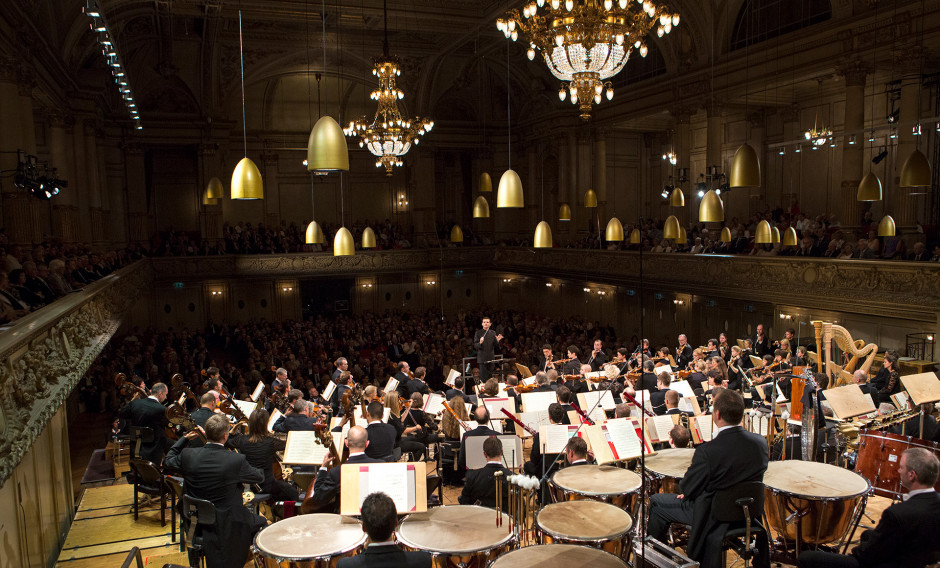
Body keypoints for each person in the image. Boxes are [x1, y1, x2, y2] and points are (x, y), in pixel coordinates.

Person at [647, 389, 769, 568]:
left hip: (714, 513)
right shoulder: (760, 443)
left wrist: (689, 493)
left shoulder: (708, 451)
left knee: (657, 502)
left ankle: (660, 560)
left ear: (717, 414)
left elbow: (687, 487)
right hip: (748, 511)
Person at [798, 448, 940, 568]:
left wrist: (857, 551)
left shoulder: (896, 514)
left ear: (911, 475)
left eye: (901, 467)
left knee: (805, 557)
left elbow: (866, 557)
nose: (898, 470)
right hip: (918, 557)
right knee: (867, 535)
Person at [164, 414, 267, 568]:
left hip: (194, 520)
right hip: (225, 524)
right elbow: (259, 477)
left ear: (205, 432)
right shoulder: (235, 460)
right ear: (225, 436)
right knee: (263, 522)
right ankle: (242, 559)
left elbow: (168, 460)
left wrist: (184, 439)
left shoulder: (188, 455)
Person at [336, 492, 432, 568]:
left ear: (363, 527)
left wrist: (365, 550)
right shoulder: (422, 560)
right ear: (395, 524)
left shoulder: (346, 565)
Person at [228, 408, 300, 502]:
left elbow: (227, 442)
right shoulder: (271, 442)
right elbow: (289, 444)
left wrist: (232, 433)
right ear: (265, 424)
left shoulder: (242, 440)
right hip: (268, 485)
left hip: (249, 486)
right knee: (293, 493)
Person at [312, 426, 383, 508]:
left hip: (347, 519)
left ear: (346, 443)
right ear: (367, 444)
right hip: (374, 517)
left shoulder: (337, 472)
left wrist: (323, 468)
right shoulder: (381, 465)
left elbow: (318, 499)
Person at [119, 382, 170, 464]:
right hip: (152, 451)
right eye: (165, 394)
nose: (166, 397)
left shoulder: (135, 403)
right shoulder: (162, 409)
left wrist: (135, 398)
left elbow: (122, 413)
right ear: (160, 394)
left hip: (135, 448)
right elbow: (169, 425)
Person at [459, 436, 511, 508]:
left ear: (485, 454)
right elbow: (521, 509)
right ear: (502, 452)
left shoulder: (472, 477)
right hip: (506, 518)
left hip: (480, 518)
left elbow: (464, 503)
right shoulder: (513, 478)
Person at [523, 403, 566, 478]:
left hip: (546, 470)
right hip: (566, 468)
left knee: (527, 465)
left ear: (549, 416)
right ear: (562, 416)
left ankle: (538, 489)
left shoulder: (541, 434)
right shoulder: (569, 431)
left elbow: (534, 459)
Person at [473, 316, 503, 382]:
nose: (486, 323)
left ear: (490, 324)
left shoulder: (493, 333)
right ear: (482, 324)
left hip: (491, 358)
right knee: (483, 378)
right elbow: (475, 345)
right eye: (484, 322)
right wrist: (480, 342)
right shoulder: (478, 333)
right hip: (482, 359)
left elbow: (496, 346)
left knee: (490, 377)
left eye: (487, 322)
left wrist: (497, 340)